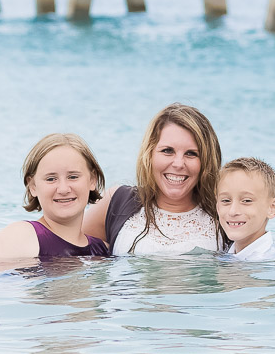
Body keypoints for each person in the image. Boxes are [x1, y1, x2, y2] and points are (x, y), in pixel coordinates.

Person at [84, 104, 226, 256]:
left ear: (206, 161)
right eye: (167, 151)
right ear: (149, 154)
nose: (178, 164)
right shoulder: (116, 202)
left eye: (191, 154)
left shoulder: (226, 213)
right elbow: (68, 250)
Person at [0, 133, 110, 260]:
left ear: (92, 180)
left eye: (73, 177)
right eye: (51, 179)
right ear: (32, 186)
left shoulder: (103, 251)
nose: (63, 189)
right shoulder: (21, 236)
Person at [216, 156, 275, 261]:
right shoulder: (229, 250)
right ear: (217, 206)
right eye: (226, 200)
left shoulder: (262, 261)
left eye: (247, 201)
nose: (233, 211)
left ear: (272, 208)